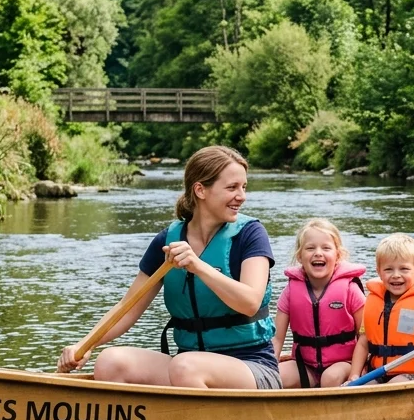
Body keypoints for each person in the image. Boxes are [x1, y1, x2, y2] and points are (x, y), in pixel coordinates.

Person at [57, 145, 281, 390]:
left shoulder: (251, 234)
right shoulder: (168, 241)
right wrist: (85, 345)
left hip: (251, 365)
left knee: (185, 366)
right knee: (110, 362)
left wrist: (198, 266)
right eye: (232, 187)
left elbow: (250, 301)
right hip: (188, 363)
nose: (242, 196)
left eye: (243, 187)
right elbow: (127, 307)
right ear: (200, 190)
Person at [347, 233, 414, 384]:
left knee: (395, 383)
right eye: (389, 269)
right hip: (379, 372)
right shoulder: (373, 302)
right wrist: (354, 375)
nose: (396, 275)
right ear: (379, 272)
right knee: (364, 386)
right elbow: (364, 342)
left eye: (404, 269)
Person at [273, 219, 366, 389]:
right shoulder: (290, 291)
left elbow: (366, 337)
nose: (318, 253)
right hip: (305, 365)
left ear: (338, 255)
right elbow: (277, 338)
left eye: (326, 248)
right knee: (273, 379)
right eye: (310, 248)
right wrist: (268, 370)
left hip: (345, 363)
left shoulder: (351, 289)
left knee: (330, 378)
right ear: (300, 256)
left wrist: (356, 372)